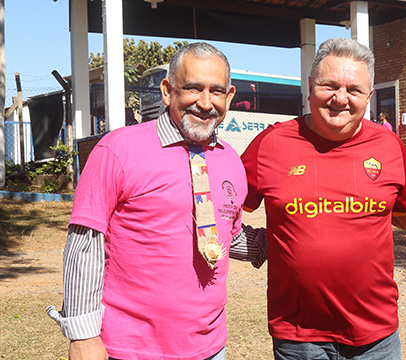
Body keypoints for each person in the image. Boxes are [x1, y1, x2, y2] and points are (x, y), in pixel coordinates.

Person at [46, 42, 268, 360]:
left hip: (211, 346)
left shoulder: (231, 159)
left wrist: (285, 239)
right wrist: (83, 336)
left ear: (229, 97)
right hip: (131, 349)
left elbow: (224, 234)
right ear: (167, 91)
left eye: (216, 92)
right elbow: (85, 245)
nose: (206, 103)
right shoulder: (118, 150)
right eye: (193, 88)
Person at [240, 38, 406, 360]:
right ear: (310, 86)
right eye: (329, 86)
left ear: (368, 95)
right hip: (298, 337)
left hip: (376, 337)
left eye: (354, 90)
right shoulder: (271, 143)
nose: (341, 99)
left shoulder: (389, 145)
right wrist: (254, 244)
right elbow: (218, 208)